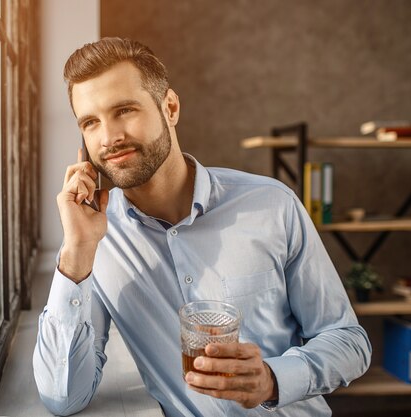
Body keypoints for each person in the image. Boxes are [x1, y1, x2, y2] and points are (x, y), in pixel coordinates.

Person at [33, 37, 371, 417]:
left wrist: (272, 379)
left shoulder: (272, 205)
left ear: (170, 108)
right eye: (91, 122)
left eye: (124, 110)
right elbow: (63, 396)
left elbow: (349, 342)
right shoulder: (96, 242)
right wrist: (76, 250)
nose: (109, 137)